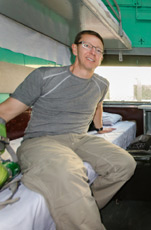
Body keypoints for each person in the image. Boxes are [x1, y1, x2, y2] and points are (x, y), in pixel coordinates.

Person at [0, 30, 136, 229]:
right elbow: (6, 110)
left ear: (101, 58)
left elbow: (97, 106)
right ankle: (83, 219)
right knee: (69, 171)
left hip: (79, 138)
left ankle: (83, 209)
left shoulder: (101, 84)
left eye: (99, 50)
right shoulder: (45, 76)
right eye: (87, 45)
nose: (93, 52)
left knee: (124, 164)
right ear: (74, 48)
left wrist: (98, 128)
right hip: (42, 139)